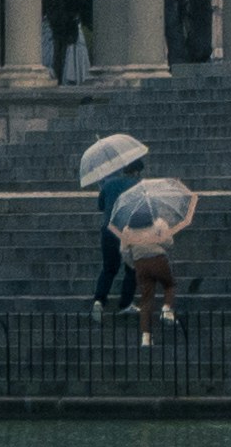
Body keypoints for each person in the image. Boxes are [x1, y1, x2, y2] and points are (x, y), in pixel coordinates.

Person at [82, 131, 198, 343]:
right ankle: (126, 303)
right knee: (129, 268)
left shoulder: (108, 185)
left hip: (107, 231)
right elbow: (146, 207)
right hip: (128, 231)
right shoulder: (137, 186)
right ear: (135, 172)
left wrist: (104, 188)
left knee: (108, 268)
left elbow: (101, 207)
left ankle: (99, 301)